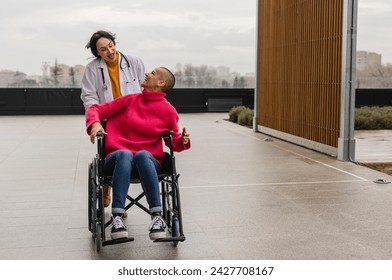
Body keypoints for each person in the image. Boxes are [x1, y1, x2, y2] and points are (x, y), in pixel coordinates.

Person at [86, 67, 191, 240]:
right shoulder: (129, 100)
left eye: (153, 73)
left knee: (142, 154)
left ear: (161, 83)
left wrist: (183, 141)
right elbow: (95, 109)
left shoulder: (168, 111)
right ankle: (117, 217)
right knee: (125, 154)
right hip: (117, 160)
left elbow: (174, 140)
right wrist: (95, 123)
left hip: (147, 162)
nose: (147, 73)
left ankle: (157, 216)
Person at [81, 30, 145, 209]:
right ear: (97, 53)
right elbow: (89, 97)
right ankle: (114, 194)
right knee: (118, 157)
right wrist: (95, 121)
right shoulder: (93, 68)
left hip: (134, 119)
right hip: (109, 120)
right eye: (103, 49)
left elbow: (145, 89)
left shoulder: (134, 62)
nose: (109, 51)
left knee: (134, 155)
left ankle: (114, 187)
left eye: (111, 46)